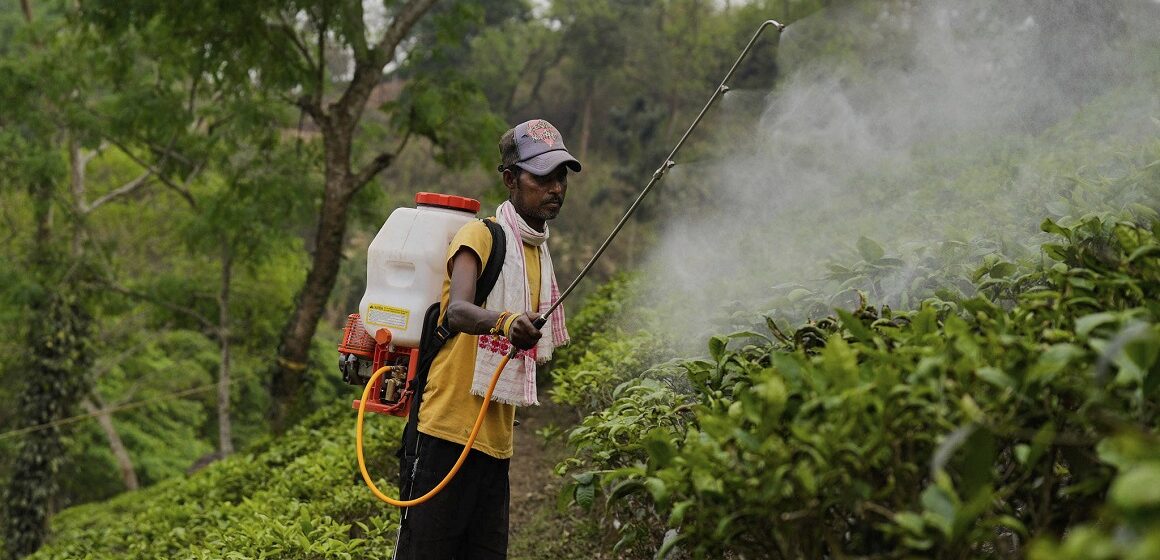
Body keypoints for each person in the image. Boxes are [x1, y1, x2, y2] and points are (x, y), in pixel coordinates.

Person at [393, 119, 579, 559]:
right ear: (511, 179)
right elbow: (457, 310)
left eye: (560, 178)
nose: (555, 188)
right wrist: (505, 322)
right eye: (542, 177)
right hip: (443, 434)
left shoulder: (538, 254)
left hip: (495, 445)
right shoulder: (480, 235)